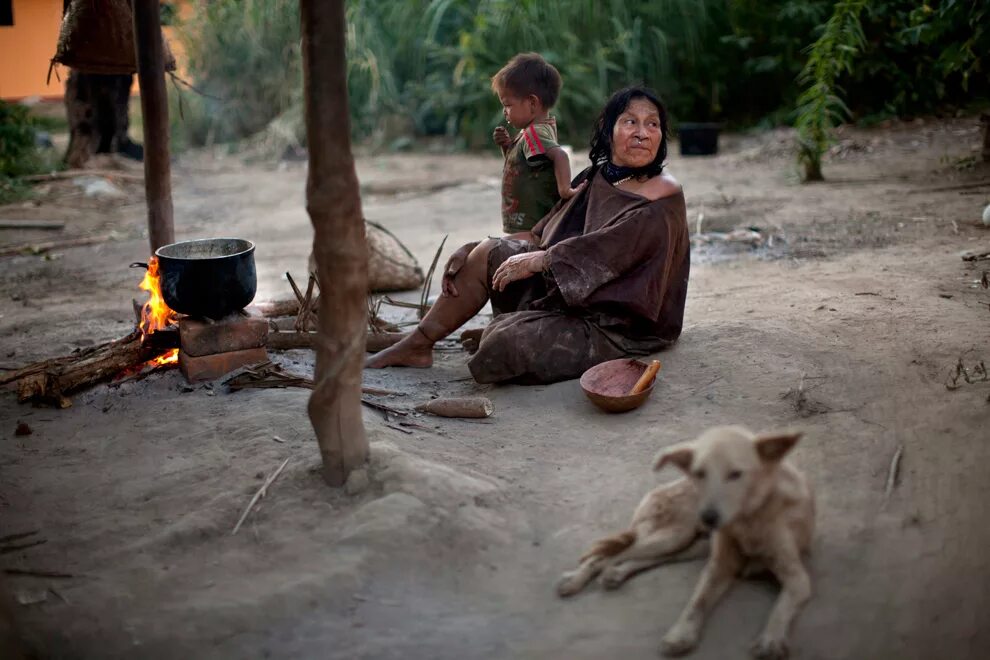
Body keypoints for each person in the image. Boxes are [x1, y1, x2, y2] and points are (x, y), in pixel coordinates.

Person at [367, 86, 690, 385]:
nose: (642, 133)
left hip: (618, 326)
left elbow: (609, 254)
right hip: (570, 293)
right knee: (487, 253)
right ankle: (418, 344)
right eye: (630, 122)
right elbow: (545, 231)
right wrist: (475, 248)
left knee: (503, 343)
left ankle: (514, 326)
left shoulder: (662, 199)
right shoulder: (598, 176)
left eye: (652, 124)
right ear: (609, 130)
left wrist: (544, 260)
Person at [491, 53, 585, 233]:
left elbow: (560, 155)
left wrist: (565, 189)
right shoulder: (529, 133)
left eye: (508, 105)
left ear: (533, 103)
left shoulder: (535, 133)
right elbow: (521, 166)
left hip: (533, 228)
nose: (504, 111)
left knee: (486, 248)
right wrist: (507, 146)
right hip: (526, 226)